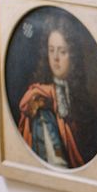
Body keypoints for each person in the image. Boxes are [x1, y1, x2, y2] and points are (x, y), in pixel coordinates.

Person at [18, 14, 87, 169]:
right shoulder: (41, 103)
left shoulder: (77, 97)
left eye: (62, 52)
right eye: (51, 50)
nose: (55, 58)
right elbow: (58, 164)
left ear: (73, 56)